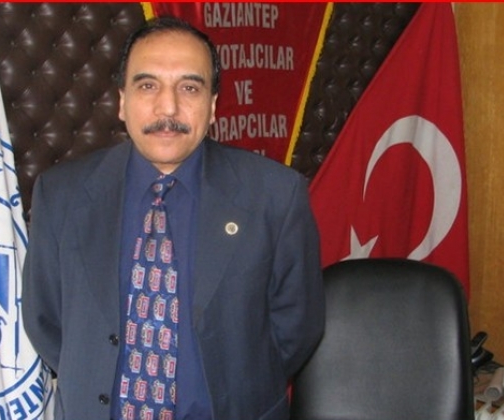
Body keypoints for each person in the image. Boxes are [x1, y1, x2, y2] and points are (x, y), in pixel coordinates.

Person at [22, 16, 324, 420]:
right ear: (122, 101)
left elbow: (298, 327)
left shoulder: (275, 195)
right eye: (148, 86)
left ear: (213, 106)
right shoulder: (62, 195)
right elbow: (46, 322)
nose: (168, 108)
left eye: (189, 88)